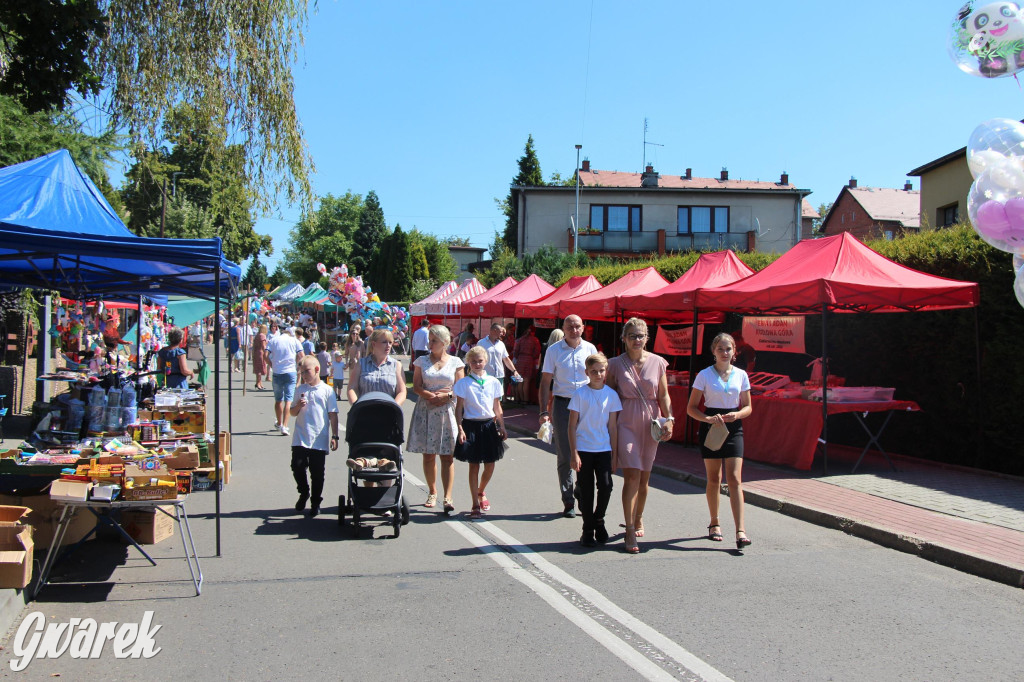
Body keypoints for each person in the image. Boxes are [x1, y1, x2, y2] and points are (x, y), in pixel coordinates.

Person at [606, 317, 673, 553]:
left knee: (645, 478)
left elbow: (663, 394)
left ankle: (639, 515)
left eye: (641, 335)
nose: (637, 339)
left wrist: (670, 418)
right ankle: (630, 528)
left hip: (650, 421)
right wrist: (609, 426)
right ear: (623, 338)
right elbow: (610, 395)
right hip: (626, 420)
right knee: (632, 475)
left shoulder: (658, 362)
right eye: (632, 335)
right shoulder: (614, 364)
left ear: (647, 338)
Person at [686, 332, 753, 550]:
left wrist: (738, 415)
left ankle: (740, 530)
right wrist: (706, 418)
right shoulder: (704, 375)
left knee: (734, 478)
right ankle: (714, 522)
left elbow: (748, 407)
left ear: (735, 352)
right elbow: (691, 408)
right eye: (720, 349)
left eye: (729, 349)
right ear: (713, 351)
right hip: (711, 425)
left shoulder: (741, 374)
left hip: (733, 426)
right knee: (714, 478)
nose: (725, 353)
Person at [538, 315, 597, 518]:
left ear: (583, 328)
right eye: (569, 326)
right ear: (563, 328)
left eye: (577, 326)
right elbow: (545, 382)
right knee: (564, 453)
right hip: (563, 405)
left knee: (585, 450)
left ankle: (580, 487)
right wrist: (544, 411)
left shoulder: (590, 349)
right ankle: (568, 500)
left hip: (586, 406)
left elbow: (597, 377)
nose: (573, 330)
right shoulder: (554, 351)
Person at [408, 325, 465, 515]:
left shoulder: (456, 362)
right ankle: (432, 492)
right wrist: (430, 395)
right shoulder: (421, 360)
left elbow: (460, 387)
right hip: (427, 409)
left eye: (434, 340)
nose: (429, 344)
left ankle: (448, 496)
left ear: (445, 342)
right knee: (428, 454)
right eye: (429, 340)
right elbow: (416, 386)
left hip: (447, 411)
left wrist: (447, 396)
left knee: (447, 455)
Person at [568, 353, 621, 549]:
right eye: (594, 371)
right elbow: (572, 426)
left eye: (601, 371)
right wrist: (574, 453)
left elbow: (613, 427)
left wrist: (615, 455)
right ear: (587, 373)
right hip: (583, 448)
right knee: (587, 490)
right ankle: (587, 529)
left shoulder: (611, 395)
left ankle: (599, 519)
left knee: (606, 486)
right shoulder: (580, 394)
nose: (598, 374)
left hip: (604, 448)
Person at [453, 346, 506, 519]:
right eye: (473, 361)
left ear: (486, 361)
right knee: (474, 464)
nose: (477, 364)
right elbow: (459, 407)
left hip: (489, 426)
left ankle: (481, 491)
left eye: (480, 361)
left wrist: (502, 425)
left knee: (490, 464)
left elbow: (497, 406)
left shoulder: (493, 382)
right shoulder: (463, 383)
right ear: (468, 362)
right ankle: (475, 504)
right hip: (471, 425)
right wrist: (460, 428)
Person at [289, 355, 339, 517]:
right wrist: (298, 406)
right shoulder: (300, 390)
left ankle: (316, 502)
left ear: (317, 370)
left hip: (319, 438)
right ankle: (304, 492)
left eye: (306, 372)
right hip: (300, 437)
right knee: (297, 466)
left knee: (317, 473)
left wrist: (335, 435)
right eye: (301, 372)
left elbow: (333, 414)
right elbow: (292, 412)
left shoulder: (327, 390)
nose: (303, 375)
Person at [348, 328, 407, 406]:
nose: (388, 345)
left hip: (388, 412)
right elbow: (352, 388)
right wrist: (356, 406)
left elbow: (402, 392)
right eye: (384, 342)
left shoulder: (396, 365)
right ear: (374, 344)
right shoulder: (361, 363)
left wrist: (394, 407)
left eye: (390, 342)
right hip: (364, 412)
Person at [266, 326, 305, 436]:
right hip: (290, 372)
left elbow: (265, 355)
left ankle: (279, 422)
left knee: (278, 399)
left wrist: (271, 364)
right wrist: (298, 367)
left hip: (277, 372)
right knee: (288, 400)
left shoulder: (273, 340)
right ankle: (285, 425)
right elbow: (302, 356)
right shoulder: (294, 340)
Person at [477, 322, 520, 398]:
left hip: (499, 376)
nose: (502, 334)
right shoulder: (481, 343)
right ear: (494, 331)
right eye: (500, 332)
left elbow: (506, 359)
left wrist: (514, 371)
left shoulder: (501, 344)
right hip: (486, 376)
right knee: (486, 398)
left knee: (497, 399)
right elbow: (476, 358)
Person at [512, 325, 542, 405]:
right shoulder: (535, 340)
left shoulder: (520, 340)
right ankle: (525, 400)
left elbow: (515, 352)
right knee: (526, 381)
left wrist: (518, 357)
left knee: (519, 381)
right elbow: (537, 352)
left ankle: (519, 399)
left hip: (520, 360)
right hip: (529, 360)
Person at [252, 324, 269, 390]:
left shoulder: (258, 335)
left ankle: (259, 383)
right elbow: (263, 346)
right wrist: (267, 353)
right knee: (260, 368)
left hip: (256, 352)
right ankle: (258, 383)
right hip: (260, 353)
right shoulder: (262, 335)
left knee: (258, 368)